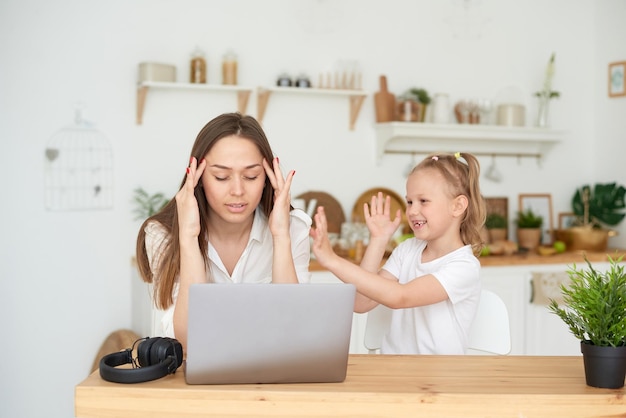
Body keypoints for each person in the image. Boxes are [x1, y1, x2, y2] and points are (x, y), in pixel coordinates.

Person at [136, 112, 312, 348]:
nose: (237, 190)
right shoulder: (162, 235)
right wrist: (188, 238)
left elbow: (293, 329)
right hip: (191, 379)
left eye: (251, 176)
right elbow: (188, 342)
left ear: (268, 177)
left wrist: (281, 236)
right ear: (197, 177)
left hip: (270, 374)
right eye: (221, 177)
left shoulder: (294, 228)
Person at [310, 152, 486, 354]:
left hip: (440, 378)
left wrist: (332, 260)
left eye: (423, 201)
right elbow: (360, 302)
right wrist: (378, 239)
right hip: (394, 369)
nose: (411, 211)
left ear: (457, 206)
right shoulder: (407, 250)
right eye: (410, 202)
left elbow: (400, 297)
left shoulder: (464, 266)